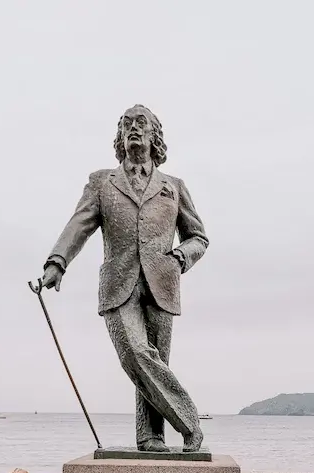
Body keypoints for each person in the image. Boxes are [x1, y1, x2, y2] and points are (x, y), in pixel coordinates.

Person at [40, 105, 209, 452]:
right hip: (118, 283)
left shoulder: (174, 187)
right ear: (120, 137)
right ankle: (190, 421)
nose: (133, 128)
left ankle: (151, 437)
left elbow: (198, 237)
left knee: (155, 361)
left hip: (162, 282)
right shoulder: (102, 182)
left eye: (141, 124)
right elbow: (79, 223)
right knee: (134, 353)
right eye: (127, 124)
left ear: (154, 136)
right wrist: (57, 262)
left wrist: (182, 255)